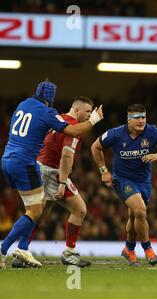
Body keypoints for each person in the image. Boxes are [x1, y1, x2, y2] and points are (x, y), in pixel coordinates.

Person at [0, 80, 103, 269]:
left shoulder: (24, 105)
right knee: (78, 210)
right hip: (41, 168)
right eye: (87, 112)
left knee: (38, 210)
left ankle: (22, 249)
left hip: (12, 159)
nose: (88, 115)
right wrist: (94, 120)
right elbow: (66, 154)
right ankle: (67, 253)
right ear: (77, 110)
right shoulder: (52, 115)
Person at [91, 104, 157, 267]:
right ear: (128, 119)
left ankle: (129, 249)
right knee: (140, 210)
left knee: (134, 216)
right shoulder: (116, 134)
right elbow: (95, 146)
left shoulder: (153, 132)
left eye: (143, 117)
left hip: (144, 182)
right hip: (122, 180)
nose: (141, 121)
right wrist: (103, 171)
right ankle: (148, 249)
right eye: (137, 117)